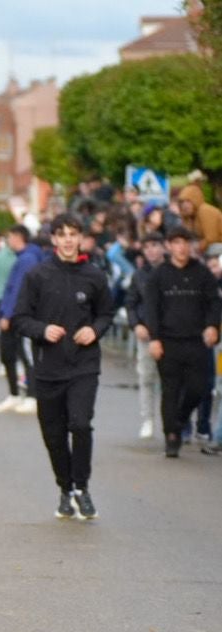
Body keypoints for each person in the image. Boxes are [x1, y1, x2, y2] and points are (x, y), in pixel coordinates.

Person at [10, 214, 113, 521]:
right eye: (62, 234)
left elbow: (106, 313)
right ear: (53, 239)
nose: (68, 239)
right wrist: (42, 330)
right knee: (54, 434)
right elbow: (20, 319)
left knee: (80, 424)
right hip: (48, 366)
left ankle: (82, 487)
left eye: (73, 233)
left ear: (80, 238)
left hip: (84, 365)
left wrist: (95, 330)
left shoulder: (94, 275)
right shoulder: (37, 275)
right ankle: (65, 490)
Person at [143, 227, 222, 458]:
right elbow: (151, 309)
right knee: (170, 390)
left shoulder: (202, 273)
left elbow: (214, 303)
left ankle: (180, 419)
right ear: (169, 246)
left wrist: (211, 326)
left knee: (199, 389)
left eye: (185, 242)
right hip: (168, 342)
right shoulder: (159, 275)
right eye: (176, 242)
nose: (181, 247)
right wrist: (154, 338)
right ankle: (172, 437)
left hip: (196, 342)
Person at [0, 225, 43, 415]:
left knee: (25, 355)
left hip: (19, 316)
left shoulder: (27, 259)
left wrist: (8, 314)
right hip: (14, 313)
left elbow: (19, 290)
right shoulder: (23, 258)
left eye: (10, 237)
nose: (8, 241)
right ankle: (15, 394)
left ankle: (31, 396)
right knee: (10, 355)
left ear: (18, 237)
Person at [125, 234, 166, 439]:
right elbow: (130, 303)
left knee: (173, 380)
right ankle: (148, 419)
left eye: (155, 246)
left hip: (171, 334)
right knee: (146, 377)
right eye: (147, 246)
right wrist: (136, 324)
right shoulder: (139, 275)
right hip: (146, 333)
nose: (151, 250)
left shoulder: (172, 271)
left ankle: (174, 423)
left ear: (163, 247)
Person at [176, 184, 222, 252]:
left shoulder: (205, 210)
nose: (184, 205)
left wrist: (198, 247)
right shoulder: (191, 216)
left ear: (195, 200)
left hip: (217, 246)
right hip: (212, 246)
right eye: (182, 202)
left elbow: (211, 238)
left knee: (212, 249)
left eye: (188, 201)